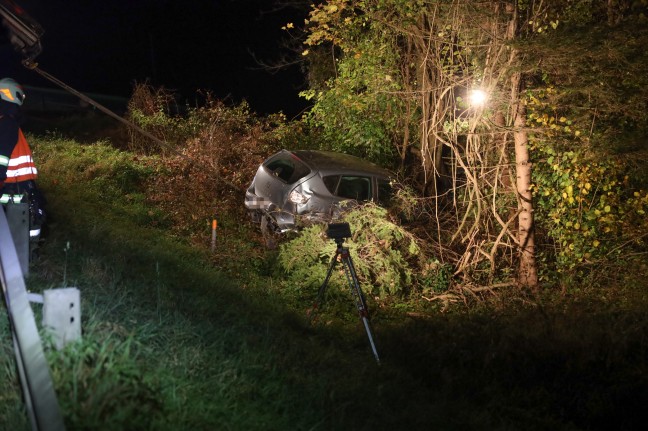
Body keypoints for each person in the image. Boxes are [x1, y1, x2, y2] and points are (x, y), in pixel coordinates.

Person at [0, 77, 45, 240]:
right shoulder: (8, 123)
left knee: (17, 242)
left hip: (14, 192)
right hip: (17, 191)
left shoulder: (6, 124)